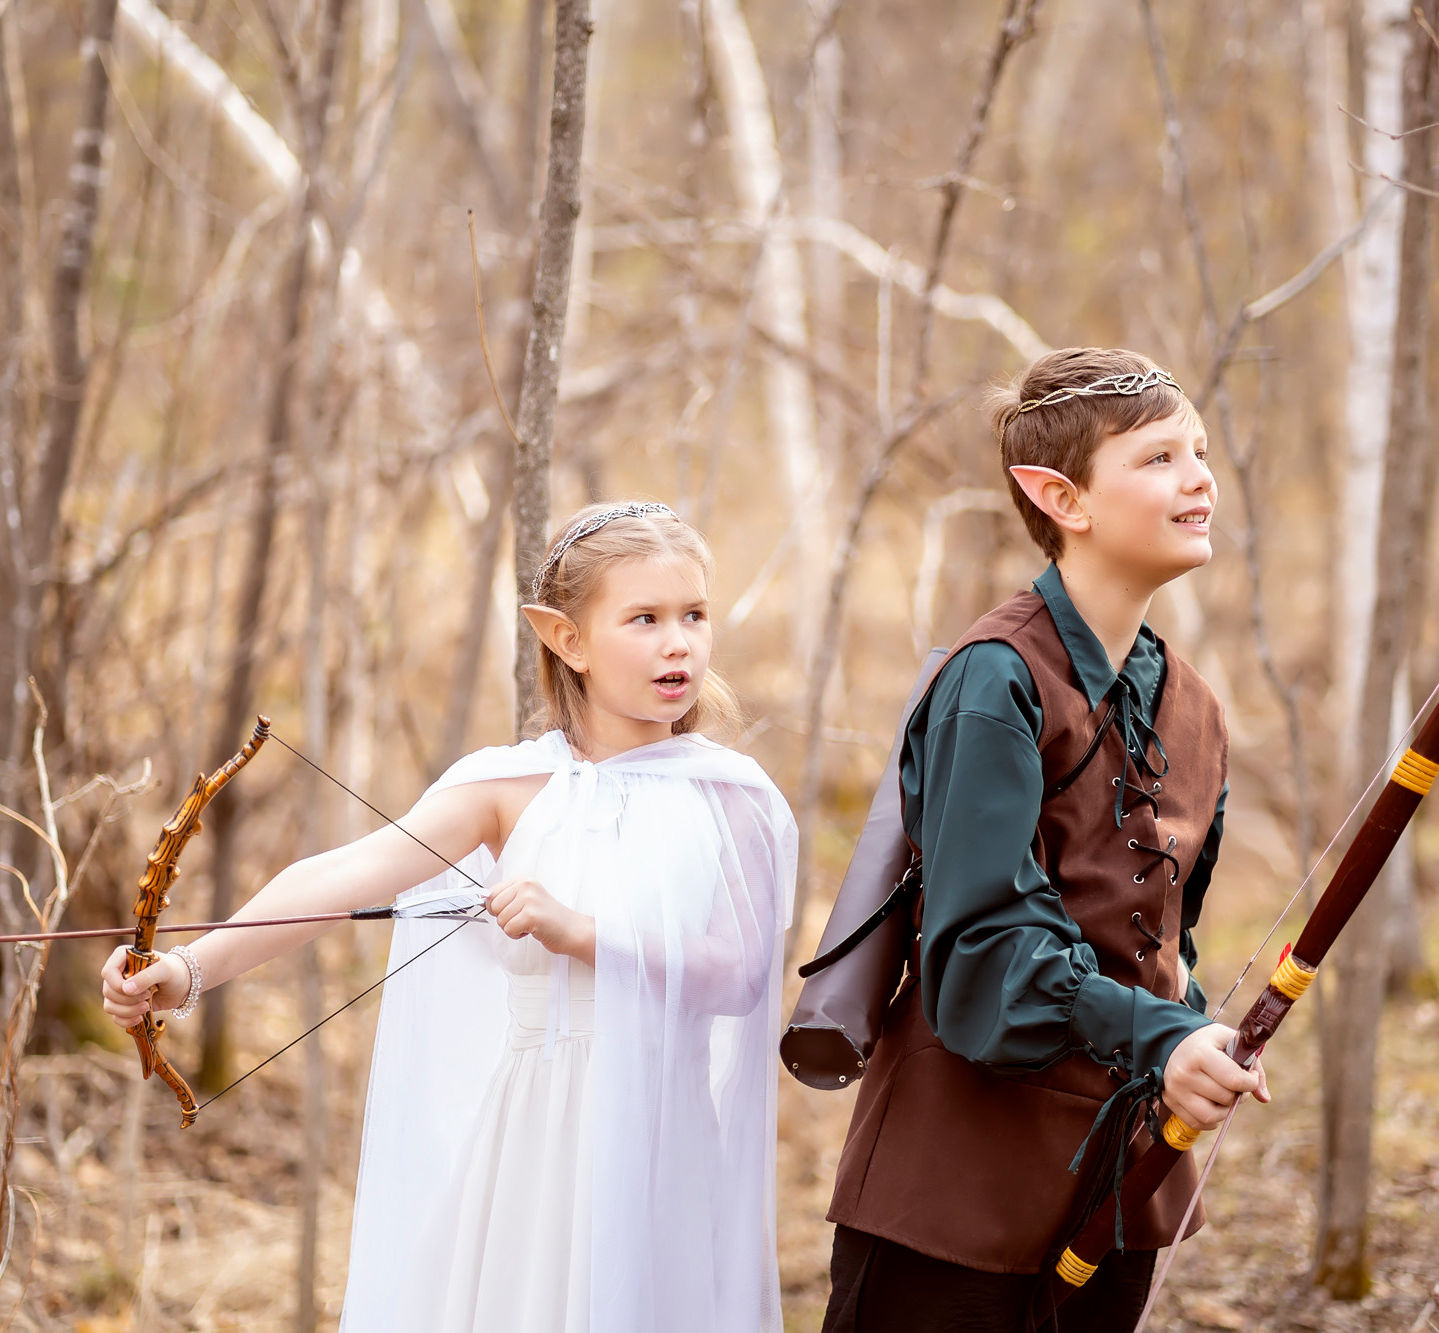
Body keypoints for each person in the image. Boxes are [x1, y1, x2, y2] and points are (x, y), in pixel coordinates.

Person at [103, 502, 796, 1333]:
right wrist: (187, 970)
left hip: (665, 1145)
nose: (677, 642)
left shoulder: (734, 797)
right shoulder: (509, 787)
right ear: (566, 638)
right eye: (643, 618)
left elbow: (741, 973)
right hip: (541, 1144)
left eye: (693, 615)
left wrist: (578, 929)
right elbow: (342, 874)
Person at [821, 349, 1269, 1333]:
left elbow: (1161, 942)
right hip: (954, 1188)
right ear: (1055, 494)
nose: (1198, 477)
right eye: (1157, 458)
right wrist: (1163, 1037)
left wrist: (1193, 1040)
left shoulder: (1194, 707)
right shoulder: (995, 678)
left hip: (1120, 1182)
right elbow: (985, 953)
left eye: (1197, 452)